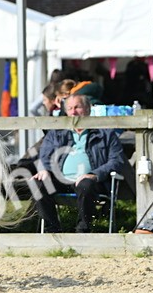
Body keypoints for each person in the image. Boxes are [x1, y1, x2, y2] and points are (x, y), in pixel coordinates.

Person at [32, 93, 128, 233]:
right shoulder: (57, 133)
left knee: (86, 185)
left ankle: (83, 230)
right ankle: (51, 230)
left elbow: (117, 160)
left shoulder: (105, 134)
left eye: (77, 107)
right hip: (60, 179)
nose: (73, 112)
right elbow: (45, 156)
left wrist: (94, 174)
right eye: (70, 108)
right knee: (38, 184)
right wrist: (45, 170)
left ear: (88, 109)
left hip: (91, 182)